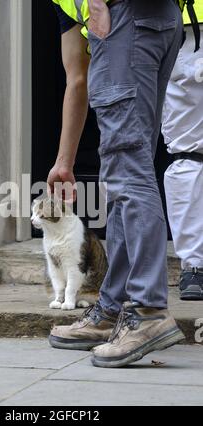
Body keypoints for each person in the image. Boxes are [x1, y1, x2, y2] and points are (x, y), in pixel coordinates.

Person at [47, 0, 186, 368]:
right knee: (125, 167)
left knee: (127, 165)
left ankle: (148, 311)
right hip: (152, 22)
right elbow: (76, 77)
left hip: (127, 19)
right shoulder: (64, 6)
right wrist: (65, 161)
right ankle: (114, 308)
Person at [162, 0, 203, 301]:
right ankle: (195, 266)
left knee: (187, 153)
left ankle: (195, 267)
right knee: (187, 154)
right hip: (185, 30)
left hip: (184, 30)